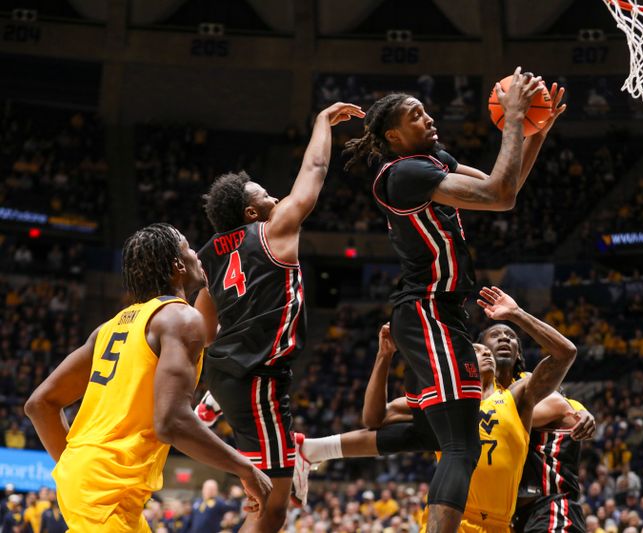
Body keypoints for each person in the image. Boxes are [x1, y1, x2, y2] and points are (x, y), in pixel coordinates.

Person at [341, 67, 566, 532]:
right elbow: (498, 194)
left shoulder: (432, 160)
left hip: (444, 312)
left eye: (425, 112)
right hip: (424, 308)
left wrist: (532, 133)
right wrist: (515, 119)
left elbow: (506, 185)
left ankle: (318, 449)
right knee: (460, 444)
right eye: (416, 116)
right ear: (394, 136)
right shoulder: (402, 173)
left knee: (453, 433)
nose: (429, 119)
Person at [24, 224, 272, 532]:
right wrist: (245, 468)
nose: (197, 254)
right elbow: (172, 422)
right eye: (189, 248)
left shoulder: (109, 328)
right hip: (105, 494)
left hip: (100, 489)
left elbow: (40, 404)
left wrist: (77, 469)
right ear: (178, 266)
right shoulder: (180, 318)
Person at [193, 102, 364, 532]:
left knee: (263, 492)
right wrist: (322, 123)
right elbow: (316, 169)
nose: (276, 198)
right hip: (256, 381)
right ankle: (222, 407)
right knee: (271, 504)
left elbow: (202, 330)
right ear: (252, 213)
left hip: (230, 372)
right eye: (266, 196)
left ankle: (213, 403)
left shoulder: (209, 255)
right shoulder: (275, 230)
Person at [296, 286, 578, 532]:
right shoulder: (447, 399)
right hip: (452, 514)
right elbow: (375, 418)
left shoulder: (519, 396)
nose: (488, 351)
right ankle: (312, 450)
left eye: (492, 347)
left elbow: (565, 354)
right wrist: (384, 357)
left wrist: (516, 313)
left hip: (500, 523)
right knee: (416, 432)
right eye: (478, 349)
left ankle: (313, 450)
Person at [478, 302, 595, 533]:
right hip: (509, 518)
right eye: (495, 335)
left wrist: (579, 408)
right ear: (478, 352)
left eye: (510, 336)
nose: (504, 339)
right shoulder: (478, 397)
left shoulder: (531, 387)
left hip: (550, 505)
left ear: (518, 352)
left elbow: (562, 407)